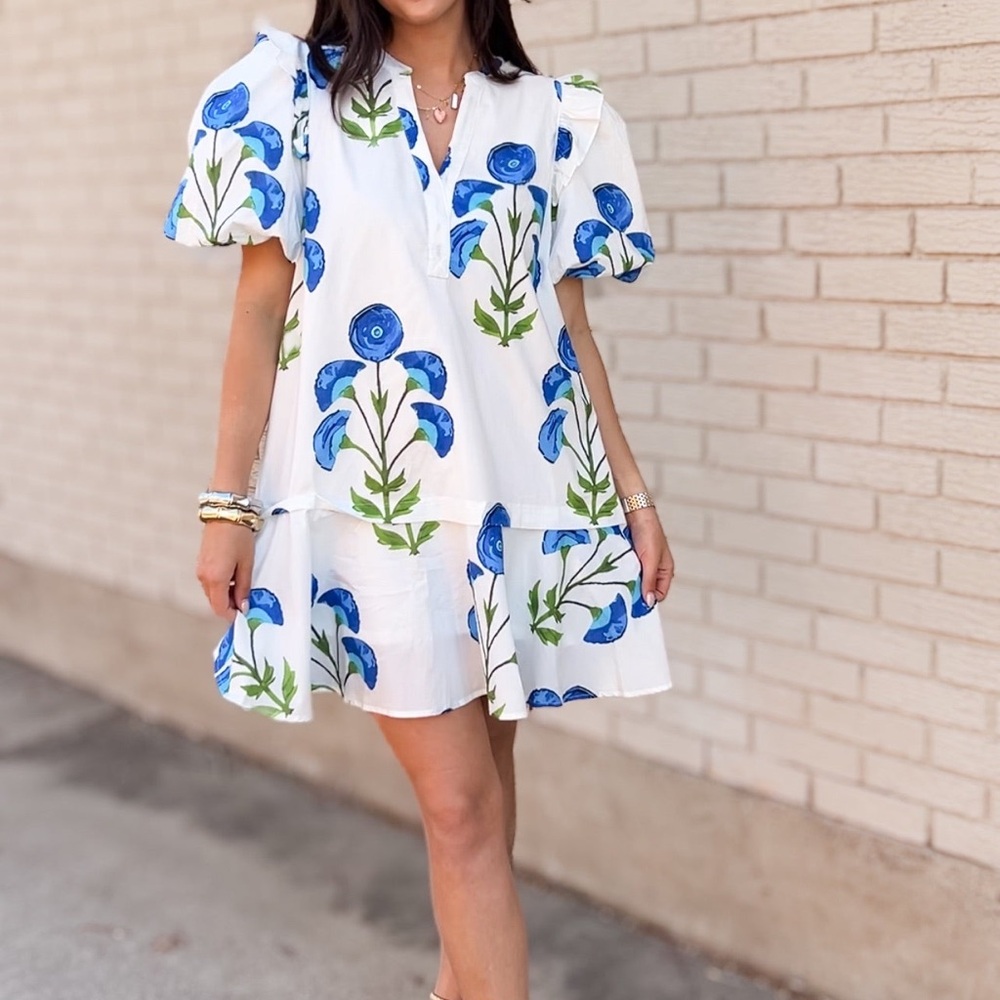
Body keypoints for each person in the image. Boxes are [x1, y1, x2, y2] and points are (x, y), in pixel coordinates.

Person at [164, 1, 674, 996]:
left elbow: (565, 328)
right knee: (461, 809)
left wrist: (633, 494)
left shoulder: (555, 119)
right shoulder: (290, 102)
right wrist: (226, 502)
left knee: (483, 784)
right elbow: (261, 307)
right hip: (373, 512)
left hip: (526, 496)